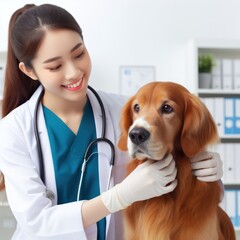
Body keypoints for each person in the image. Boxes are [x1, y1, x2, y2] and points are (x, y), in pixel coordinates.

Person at [0, 4, 223, 240]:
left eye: (79, 54)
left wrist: (206, 169)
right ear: (29, 71)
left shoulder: (126, 112)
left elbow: (183, 190)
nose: (74, 72)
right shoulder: (13, 130)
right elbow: (36, 222)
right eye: (55, 66)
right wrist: (118, 197)